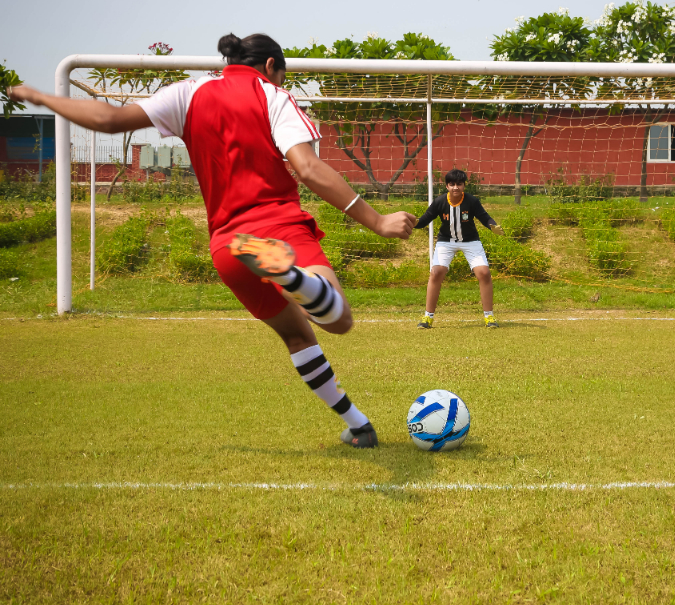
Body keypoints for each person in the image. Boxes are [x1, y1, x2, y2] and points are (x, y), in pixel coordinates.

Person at [7, 33, 417, 449]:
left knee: (297, 336)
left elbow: (109, 120)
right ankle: (293, 276)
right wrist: (378, 221)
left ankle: (359, 426)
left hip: (229, 246)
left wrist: (43, 97)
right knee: (338, 319)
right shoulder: (272, 95)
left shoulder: (189, 92)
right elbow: (308, 168)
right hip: (277, 226)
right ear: (272, 66)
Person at [414, 169, 504, 329]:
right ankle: (427, 317)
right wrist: (410, 222)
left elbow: (484, 217)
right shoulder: (440, 202)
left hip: (471, 241)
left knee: (484, 273)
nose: (456, 187)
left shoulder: (472, 201)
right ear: (447, 186)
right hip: (446, 241)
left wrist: (493, 225)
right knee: (436, 273)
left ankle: (489, 317)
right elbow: (424, 219)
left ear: (464, 185)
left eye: (459, 184)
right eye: (452, 184)